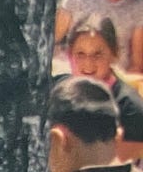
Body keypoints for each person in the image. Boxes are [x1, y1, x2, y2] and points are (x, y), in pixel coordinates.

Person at [61, 14, 143, 160]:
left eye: (98, 54)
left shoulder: (131, 108)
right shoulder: (59, 95)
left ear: (114, 54)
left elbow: (117, 166)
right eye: (80, 54)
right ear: (69, 55)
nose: (88, 64)